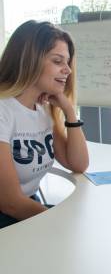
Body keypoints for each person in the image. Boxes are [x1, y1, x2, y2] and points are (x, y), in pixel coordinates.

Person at [0, 20, 89, 229]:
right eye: (58, 61)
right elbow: (10, 203)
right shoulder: (4, 111)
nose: (67, 70)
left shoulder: (42, 109)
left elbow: (77, 164)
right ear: (29, 61)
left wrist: (68, 111)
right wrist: (62, 222)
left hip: (28, 210)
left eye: (67, 62)